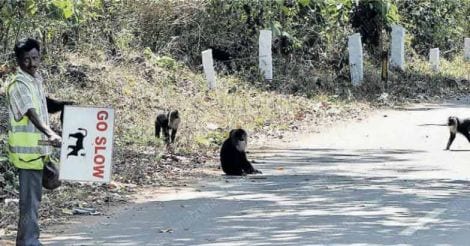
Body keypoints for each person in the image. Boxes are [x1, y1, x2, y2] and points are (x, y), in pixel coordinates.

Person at [6, 38, 61, 246]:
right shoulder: (18, 84)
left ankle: (27, 240)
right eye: (26, 59)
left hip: (40, 151)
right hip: (27, 155)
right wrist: (50, 133)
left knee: (53, 182)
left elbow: (42, 111)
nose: (32, 63)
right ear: (18, 60)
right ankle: (28, 242)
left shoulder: (35, 80)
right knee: (29, 203)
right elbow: (30, 113)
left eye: (35, 58)